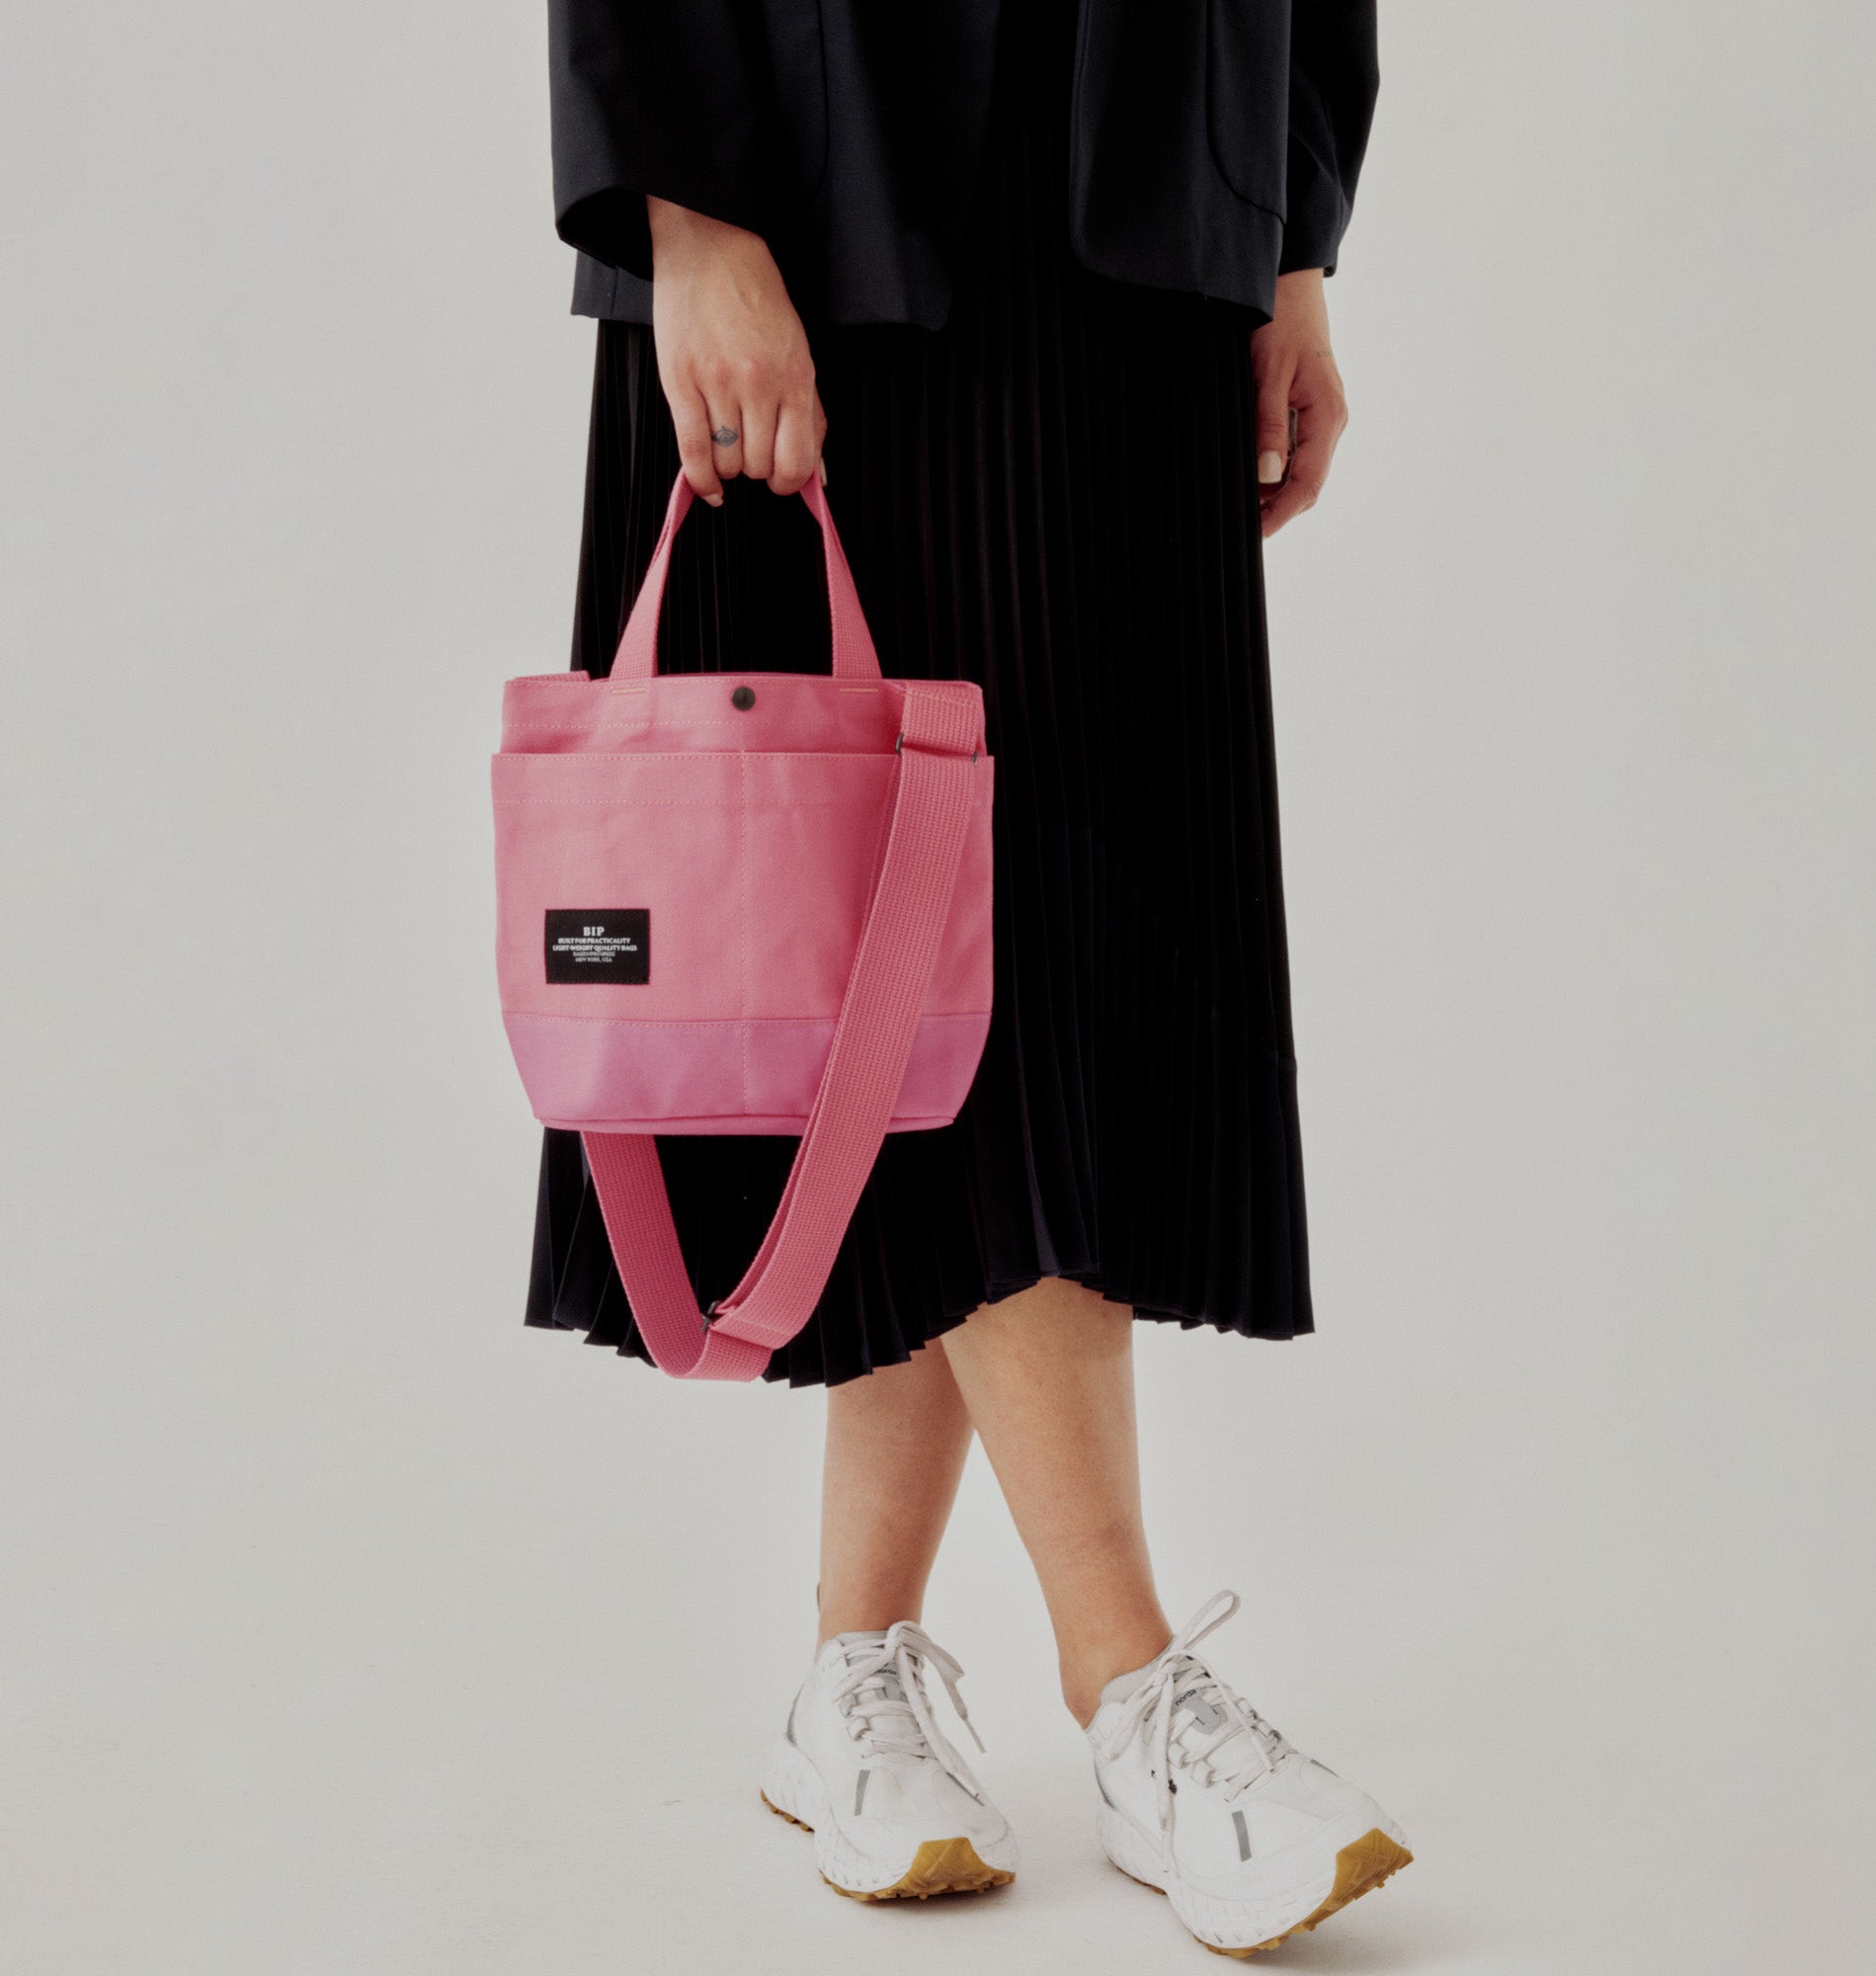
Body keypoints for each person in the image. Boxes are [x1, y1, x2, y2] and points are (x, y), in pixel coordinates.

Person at [528, 0, 1408, 1953]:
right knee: (929, 942)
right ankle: (1133, 1681)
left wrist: (1288, 232)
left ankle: (853, 1673)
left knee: (1026, 952)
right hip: (817, 185)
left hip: (1152, 189)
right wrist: (685, 205)